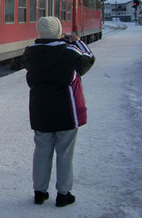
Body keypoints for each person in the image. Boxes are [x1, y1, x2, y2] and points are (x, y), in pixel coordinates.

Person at [21, 16, 95, 208]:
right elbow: (89, 59)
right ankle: (63, 194)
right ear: (58, 32)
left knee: (41, 151)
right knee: (65, 153)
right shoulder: (70, 52)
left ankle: (39, 192)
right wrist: (77, 41)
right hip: (66, 111)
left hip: (40, 110)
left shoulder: (30, 53)